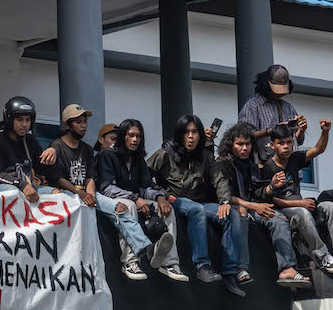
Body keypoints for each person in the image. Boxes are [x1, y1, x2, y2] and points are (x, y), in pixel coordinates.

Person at [39, 105, 159, 283]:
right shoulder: (56, 146)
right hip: (66, 193)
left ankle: (145, 247)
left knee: (120, 207)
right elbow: (58, 179)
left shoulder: (87, 149)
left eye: (85, 122)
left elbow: (90, 178)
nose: (83, 126)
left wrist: (90, 195)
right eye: (78, 122)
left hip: (85, 192)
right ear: (67, 125)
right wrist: (80, 194)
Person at [213, 122, 311, 289]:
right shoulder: (222, 163)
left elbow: (258, 192)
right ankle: (241, 268)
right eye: (240, 144)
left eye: (248, 144)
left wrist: (271, 187)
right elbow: (225, 195)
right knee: (242, 212)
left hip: (252, 206)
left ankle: (287, 268)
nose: (245, 148)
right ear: (231, 145)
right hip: (231, 207)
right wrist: (253, 205)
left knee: (278, 218)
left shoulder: (251, 164)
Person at [255, 122, 333, 273]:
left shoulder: (294, 158)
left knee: (329, 206)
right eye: (281, 143)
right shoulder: (267, 168)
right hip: (284, 212)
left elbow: (318, 149)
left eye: (289, 142)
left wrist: (325, 132)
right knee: (302, 212)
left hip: (303, 206)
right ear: (273, 145)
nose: (286, 146)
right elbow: (270, 202)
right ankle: (322, 255)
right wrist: (300, 203)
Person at [146, 114, 236, 286]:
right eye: (186, 132)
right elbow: (144, 177)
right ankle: (202, 265)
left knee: (229, 215)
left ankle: (231, 271)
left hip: (199, 201)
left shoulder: (205, 156)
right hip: (175, 200)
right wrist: (162, 195)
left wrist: (225, 202)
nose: (191, 136)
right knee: (197, 210)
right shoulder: (164, 154)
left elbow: (220, 181)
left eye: (195, 132)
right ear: (180, 134)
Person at [93, 118, 183, 283]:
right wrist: (136, 198)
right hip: (111, 200)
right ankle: (130, 261)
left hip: (136, 198)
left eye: (138, 136)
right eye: (131, 135)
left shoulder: (138, 158)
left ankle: (169, 263)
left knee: (167, 209)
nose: (135, 139)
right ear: (122, 136)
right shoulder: (107, 155)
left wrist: (160, 197)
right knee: (128, 206)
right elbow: (107, 188)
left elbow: (146, 186)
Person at [238, 64, 307, 161]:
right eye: (276, 90)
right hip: (264, 164)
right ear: (266, 85)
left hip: (289, 164)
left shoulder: (288, 107)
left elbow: (297, 141)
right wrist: (270, 131)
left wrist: (301, 130)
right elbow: (244, 136)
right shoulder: (253, 106)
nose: (279, 94)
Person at [0, 96, 44, 200]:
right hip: (3, 187)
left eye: (28, 120)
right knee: (15, 194)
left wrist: (51, 153)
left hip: (28, 186)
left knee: (57, 194)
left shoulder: (30, 140)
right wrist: (22, 184)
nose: (24, 125)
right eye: (19, 120)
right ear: (9, 119)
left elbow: (42, 169)